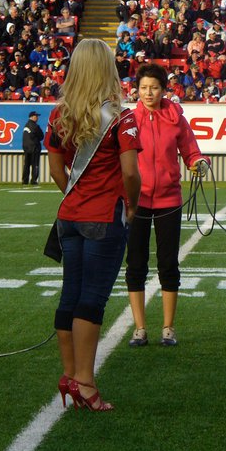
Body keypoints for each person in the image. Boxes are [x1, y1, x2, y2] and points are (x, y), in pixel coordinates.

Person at [44, 39, 142, 411]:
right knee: (93, 299)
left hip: (69, 215)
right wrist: (131, 204)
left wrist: (74, 193)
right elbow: (130, 171)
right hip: (104, 216)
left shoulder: (59, 114)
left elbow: (56, 170)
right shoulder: (121, 116)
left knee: (70, 293)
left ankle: (70, 375)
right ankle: (85, 382)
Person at [125, 63, 210, 348]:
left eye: (154, 88)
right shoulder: (127, 118)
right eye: (144, 88)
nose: (148, 93)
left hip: (169, 200)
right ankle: (139, 328)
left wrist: (199, 163)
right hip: (135, 201)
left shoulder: (176, 117)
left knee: (168, 264)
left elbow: (191, 150)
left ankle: (168, 328)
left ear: (164, 90)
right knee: (135, 264)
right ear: (136, 89)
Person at [22, 111, 44, 185]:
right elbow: (41, 136)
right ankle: (34, 180)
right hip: (35, 147)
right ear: (32, 117)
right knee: (35, 165)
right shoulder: (35, 126)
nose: (37, 118)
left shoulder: (26, 125)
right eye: (36, 116)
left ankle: (25, 180)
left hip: (26, 148)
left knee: (26, 165)